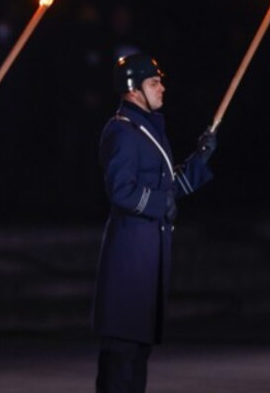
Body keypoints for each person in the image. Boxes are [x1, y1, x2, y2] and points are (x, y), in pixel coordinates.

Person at [92, 53, 218, 393]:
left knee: (138, 352)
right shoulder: (122, 131)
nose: (162, 88)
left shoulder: (147, 127)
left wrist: (198, 160)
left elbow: (167, 188)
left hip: (149, 254)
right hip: (129, 257)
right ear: (133, 90)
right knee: (121, 353)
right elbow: (121, 191)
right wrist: (161, 203)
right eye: (154, 83)